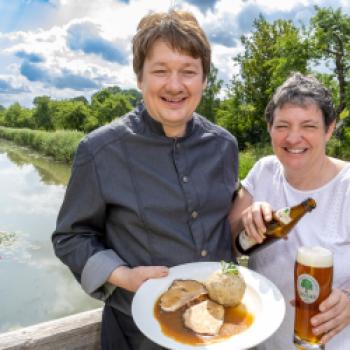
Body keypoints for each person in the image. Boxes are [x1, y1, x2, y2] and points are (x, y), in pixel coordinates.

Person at [52, 9, 239, 350]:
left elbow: (227, 220)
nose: (174, 85)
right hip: (137, 334)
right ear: (140, 78)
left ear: (204, 79)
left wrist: (251, 210)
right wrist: (123, 276)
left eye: (188, 72)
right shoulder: (99, 151)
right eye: (160, 71)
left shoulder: (224, 146)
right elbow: (71, 237)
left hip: (221, 332)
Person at [229, 72, 350, 349]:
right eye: (282, 125)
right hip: (265, 340)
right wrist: (246, 221)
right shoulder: (264, 170)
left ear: (329, 129)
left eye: (308, 125)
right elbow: (229, 246)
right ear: (269, 128)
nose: (293, 138)